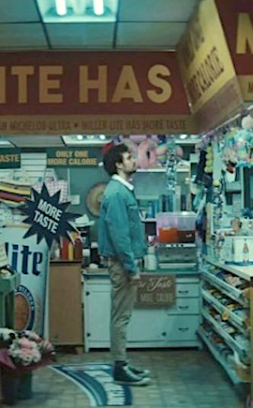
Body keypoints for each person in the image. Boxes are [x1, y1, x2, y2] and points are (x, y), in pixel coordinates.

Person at [98, 144, 150, 386]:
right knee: (121, 317)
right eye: (129, 157)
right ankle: (119, 367)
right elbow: (120, 235)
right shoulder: (118, 194)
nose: (133, 160)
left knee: (122, 316)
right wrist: (131, 267)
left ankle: (122, 363)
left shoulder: (121, 191)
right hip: (121, 264)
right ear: (118, 164)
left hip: (123, 262)